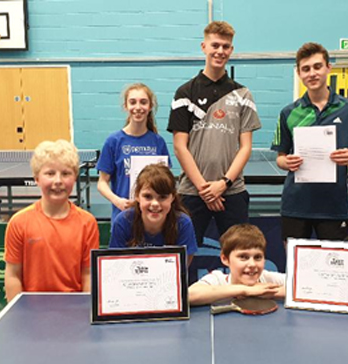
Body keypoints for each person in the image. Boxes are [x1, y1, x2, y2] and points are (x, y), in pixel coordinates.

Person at [167, 21, 261, 248]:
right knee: (182, 257)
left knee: (241, 254)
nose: (220, 51)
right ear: (204, 47)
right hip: (192, 192)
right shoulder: (184, 93)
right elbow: (180, 146)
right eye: (215, 45)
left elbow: (245, 147)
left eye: (226, 46)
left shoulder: (243, 94)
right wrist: (204, 189)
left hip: (232, 191)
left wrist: (223, 183)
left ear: (231, 50)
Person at [272, 42, 348, 241]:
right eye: (305, 69)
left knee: (332, 268)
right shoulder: (289, 113)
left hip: (333, 206)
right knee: (295, 267)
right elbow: (280, 158)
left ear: (328, 68)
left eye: (317, 67)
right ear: (299, 73)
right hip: (295, 205)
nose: (312, 73)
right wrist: (286, 162)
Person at [4, 140, 100, 302]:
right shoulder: (19, 222)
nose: (58, 181)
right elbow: (13, 274)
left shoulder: (87, 223)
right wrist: (18, 315)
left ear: (75, 177)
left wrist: (84, 311)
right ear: (37, 178)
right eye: (50, 173)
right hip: (32, 312)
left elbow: (88, 274)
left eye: (66, 173)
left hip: (73, 311)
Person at [97, 83, 171, 222]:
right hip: (124, 215)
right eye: (133, 102)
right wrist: (117, 201)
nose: (138, 107)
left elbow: (165, 182)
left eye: (143, 102)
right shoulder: (113, 141)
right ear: (126, 106)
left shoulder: (158, 142)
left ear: (150, 107)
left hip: (153, 216)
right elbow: (102, 183)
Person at [109, 163, 198, 264]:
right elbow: (115, 263)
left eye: (162, 197)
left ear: (172, 198)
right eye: (148, 196)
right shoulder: (123, 221)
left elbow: (184, 265)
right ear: (137, 195)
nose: (155, 203)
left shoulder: (183, 223)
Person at [188, 224, 285, 305]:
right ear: (225, 259)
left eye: (258, 257)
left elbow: (299, 288)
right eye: (243, 257)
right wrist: (244, 290)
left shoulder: (268, 278)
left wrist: (268, 293)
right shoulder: (217, 279)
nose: (252, 264)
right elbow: (189, 296)